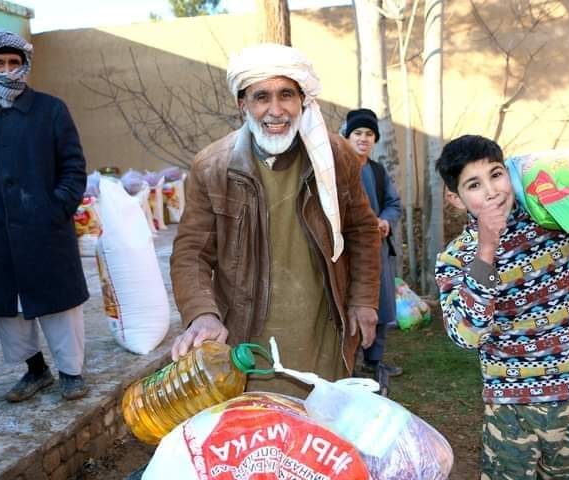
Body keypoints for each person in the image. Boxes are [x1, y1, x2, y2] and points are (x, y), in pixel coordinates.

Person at [170, 43, 381, 397]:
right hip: (246, 337)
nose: (276, 109)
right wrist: (202, 314)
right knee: (258, 439)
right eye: (261, 97)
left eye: (286, 94)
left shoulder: (334, 157)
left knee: (317, 432)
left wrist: (363, 299)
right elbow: (191, 251)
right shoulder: (213, 166)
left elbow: (361, 230)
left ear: (302, 100)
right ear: (243, 104)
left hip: (321, 328)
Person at [434, 135, 569, 479]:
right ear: (455, 199)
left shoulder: (549, 218)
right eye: (474, 184)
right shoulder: (455, 257)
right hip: (511, 405)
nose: (491, 191)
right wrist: (486, 250)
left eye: (496, 174)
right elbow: (468, 334)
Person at [0, 30, 89, 401]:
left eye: (13, 62)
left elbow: (73, 166)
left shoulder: (51, 109)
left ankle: (72, 373)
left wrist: (57, 206)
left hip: (45, 227)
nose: (7, 70)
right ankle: (35, 371)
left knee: (59, 306)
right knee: (9, 310)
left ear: (25, 65)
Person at [343, 108, 403, 377]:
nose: (363, 139)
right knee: (351, 304)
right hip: (346, 252)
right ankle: (348, 363)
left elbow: (393, 203)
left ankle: (374, 362)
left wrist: (385, 221)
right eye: (357, 133)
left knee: (380, 304)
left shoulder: (378, 172)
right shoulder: (338, 170)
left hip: (377, 251)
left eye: (369, 134)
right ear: (347, 136)